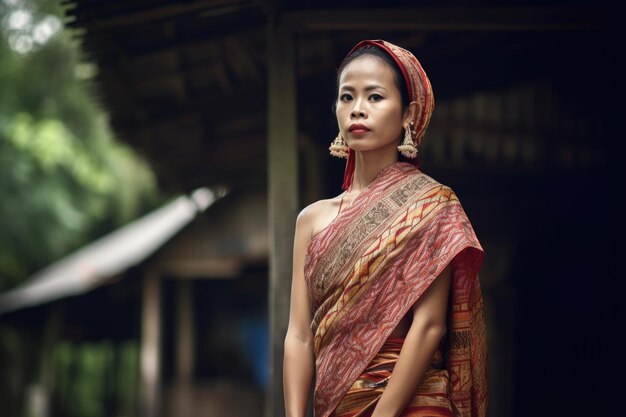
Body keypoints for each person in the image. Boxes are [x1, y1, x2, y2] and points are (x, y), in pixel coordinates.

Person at [283, 39, 488, 417]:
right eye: (347, 97)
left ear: (408, 113)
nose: (358, 109)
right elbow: (298, 334)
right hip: (336, 405)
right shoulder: (311, 220)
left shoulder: (432, 206)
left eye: (374, 97)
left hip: (415, 404)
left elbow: (429, 326)